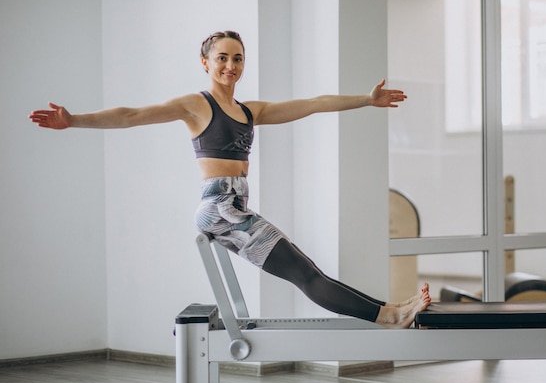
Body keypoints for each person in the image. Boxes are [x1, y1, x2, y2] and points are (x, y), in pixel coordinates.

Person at [29, 30, 431, 328]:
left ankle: (391, 310)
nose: (230, 66)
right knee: (305, 274)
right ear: (205, 62)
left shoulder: (249, 110)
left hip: (234, 206)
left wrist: (366, 99)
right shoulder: (195, 105)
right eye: (222, 58)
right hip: (219, 207)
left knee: (308, 270)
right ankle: (390, 316)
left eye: (238, 58)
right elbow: (132, 115)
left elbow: (311, 104)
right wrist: (74, 121)